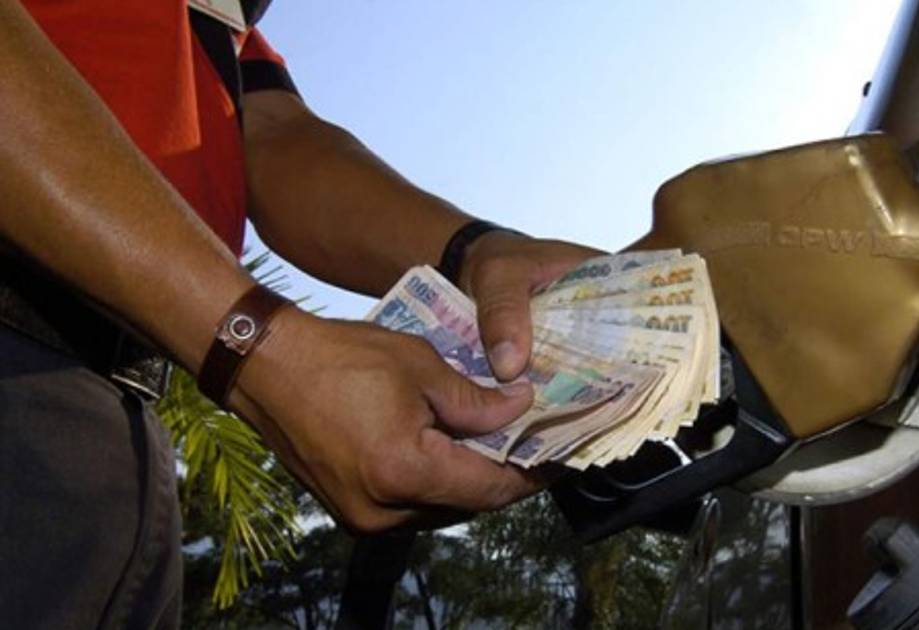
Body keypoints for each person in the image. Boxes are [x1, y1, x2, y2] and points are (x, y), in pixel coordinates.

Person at [0, 1, 598, 627]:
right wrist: (252, 340)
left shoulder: (224, 23)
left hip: (114, 433)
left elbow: (270, 132)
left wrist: (471, 251)